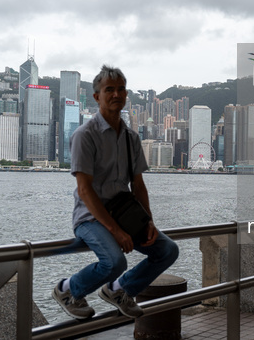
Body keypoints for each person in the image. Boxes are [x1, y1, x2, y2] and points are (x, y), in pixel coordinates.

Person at [52, 65, 179, 319]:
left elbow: (138, 185)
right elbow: (85, 191)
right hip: (91, 216)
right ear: (96, 96)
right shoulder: (84, 135)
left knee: (167, 250)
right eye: (109, 89)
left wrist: (148, 221)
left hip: (125, 213)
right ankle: (67, 289)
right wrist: (116, 231)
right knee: (114, 262)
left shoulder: (131, 137)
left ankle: (119, 289)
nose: (116, 94)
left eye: (121, 89)